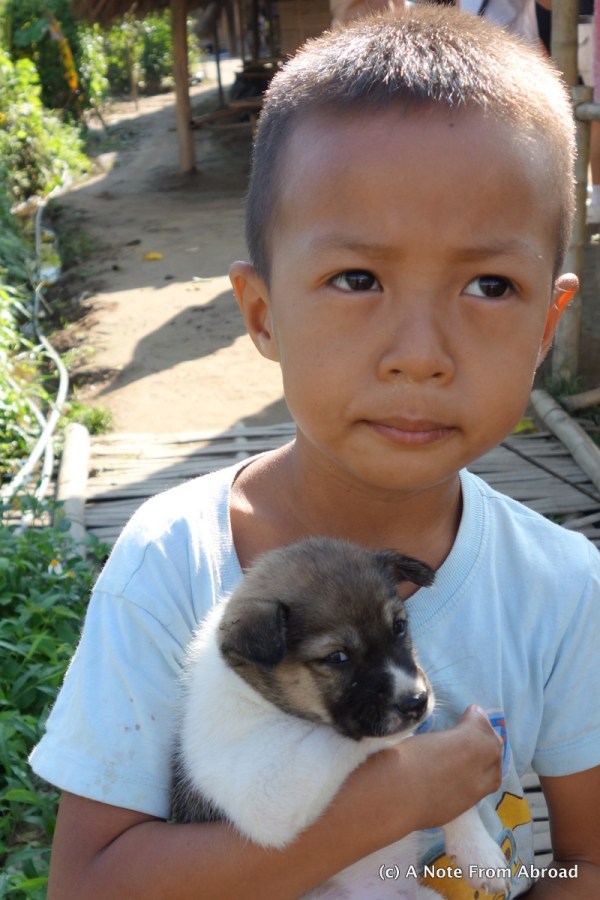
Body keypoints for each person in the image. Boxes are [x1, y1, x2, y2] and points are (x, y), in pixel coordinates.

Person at [30, 7, 600, 898]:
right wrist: (391, 799)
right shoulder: (171, 564)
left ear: (547, 326)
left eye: (491, 285)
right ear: (262, 315)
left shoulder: (564, 591)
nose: (420, 354)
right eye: (357, 278)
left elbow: (585, 863)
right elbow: (88, 883)